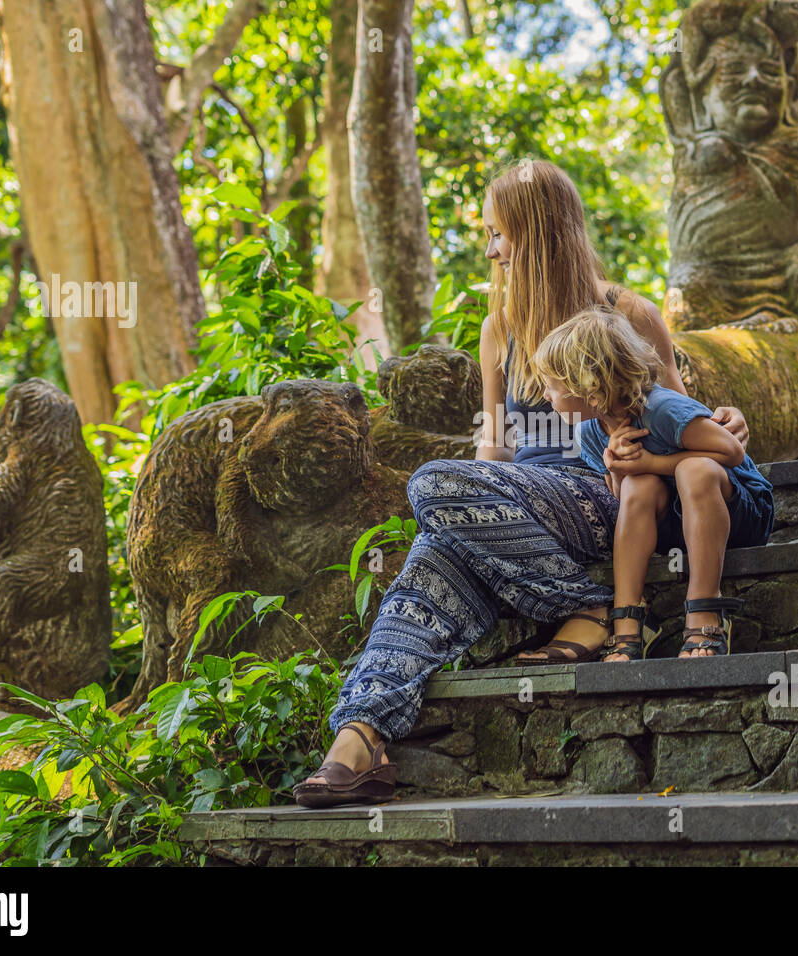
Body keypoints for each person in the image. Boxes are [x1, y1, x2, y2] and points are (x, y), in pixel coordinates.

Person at [293, 159, 751, 809]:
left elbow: (676, 418)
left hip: (602, 493)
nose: (490, 250)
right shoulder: (499, 329)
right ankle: (360, 734)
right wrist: (478, 515)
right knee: (434, 547)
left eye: (499, 233)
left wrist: (725, 420)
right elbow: (494, 449)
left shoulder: (627, 312)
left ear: (538, 234)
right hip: (517, 505)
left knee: (433, 488)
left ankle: (592, 606)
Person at [534, 307, 773, 662]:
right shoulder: (590, 432)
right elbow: (625, 502)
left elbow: (731, 451)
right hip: (677, 523)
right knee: (636, 486)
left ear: (592, 391)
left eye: (551, 386)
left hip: (738, 510)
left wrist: (653, 463)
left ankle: (704, 612)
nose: (545, 396)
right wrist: (616, 468)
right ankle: (628, 625)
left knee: (695, 471)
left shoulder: (661, 409)